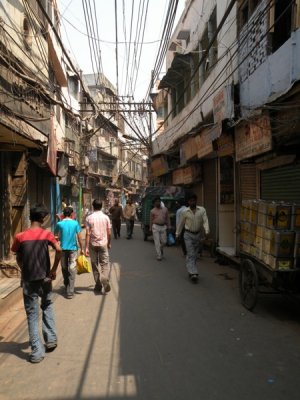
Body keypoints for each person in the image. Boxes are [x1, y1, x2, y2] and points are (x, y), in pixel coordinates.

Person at [11, 204, 62, 363]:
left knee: (32, 315)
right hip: (45, 279)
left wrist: (23, 268)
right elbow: (59, 250)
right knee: (47, 305)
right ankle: (51, 339)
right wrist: (53, 270)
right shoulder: (46, 235)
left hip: (28, 281)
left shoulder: (20, 236)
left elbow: (17, 256)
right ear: (42, 219)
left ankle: (37, 352)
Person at [176, 193, 209, 282]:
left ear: (196, 201)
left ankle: (191, 269)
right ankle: (193, 272)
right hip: (188, 235)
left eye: (194, 200)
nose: (192, 202)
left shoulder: (202, 210)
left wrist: (207, 231)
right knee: (190, 253)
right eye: (190, 201)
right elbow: (181, 224)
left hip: (197, 235)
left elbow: (205, 221)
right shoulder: (185, 212)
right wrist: (177, 234)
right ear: (188, 202)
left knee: (194, 254)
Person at [55, 206, 83, 299]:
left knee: (64, 268)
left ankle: (68, 286)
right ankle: (70, 289)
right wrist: (82, 248)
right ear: (72, 214)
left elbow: (55, 236)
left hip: (62, 249)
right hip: (73, 249)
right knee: (72, 268)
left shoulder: (59, 224)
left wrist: (58, 240)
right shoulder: (75, 223)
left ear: (63, 214)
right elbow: (79, 237)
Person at [85, 199, 111, 294]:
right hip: (103, 243)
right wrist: (109, 243)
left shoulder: (89, 218)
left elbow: (87, 233)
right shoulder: (106, 218)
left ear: (93, 206)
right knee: (104, 264)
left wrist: (86, 248)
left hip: (93, 244)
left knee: (95, 265)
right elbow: (109, 232)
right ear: (101, 206)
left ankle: (98, 285)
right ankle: (104, 278)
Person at [150, 196, 170, 261]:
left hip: (163, 227)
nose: (157, 203)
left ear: (160, 201)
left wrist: (169, 225)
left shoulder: (165, 209)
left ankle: (161, 248)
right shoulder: (152, 211)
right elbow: (151, 220)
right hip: (155, 227)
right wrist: (150, 228)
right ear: (154, 203)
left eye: (158, 201)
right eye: (156, 202)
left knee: (164, 241)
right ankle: (159, 255)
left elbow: (167, 218)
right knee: (157, 242)